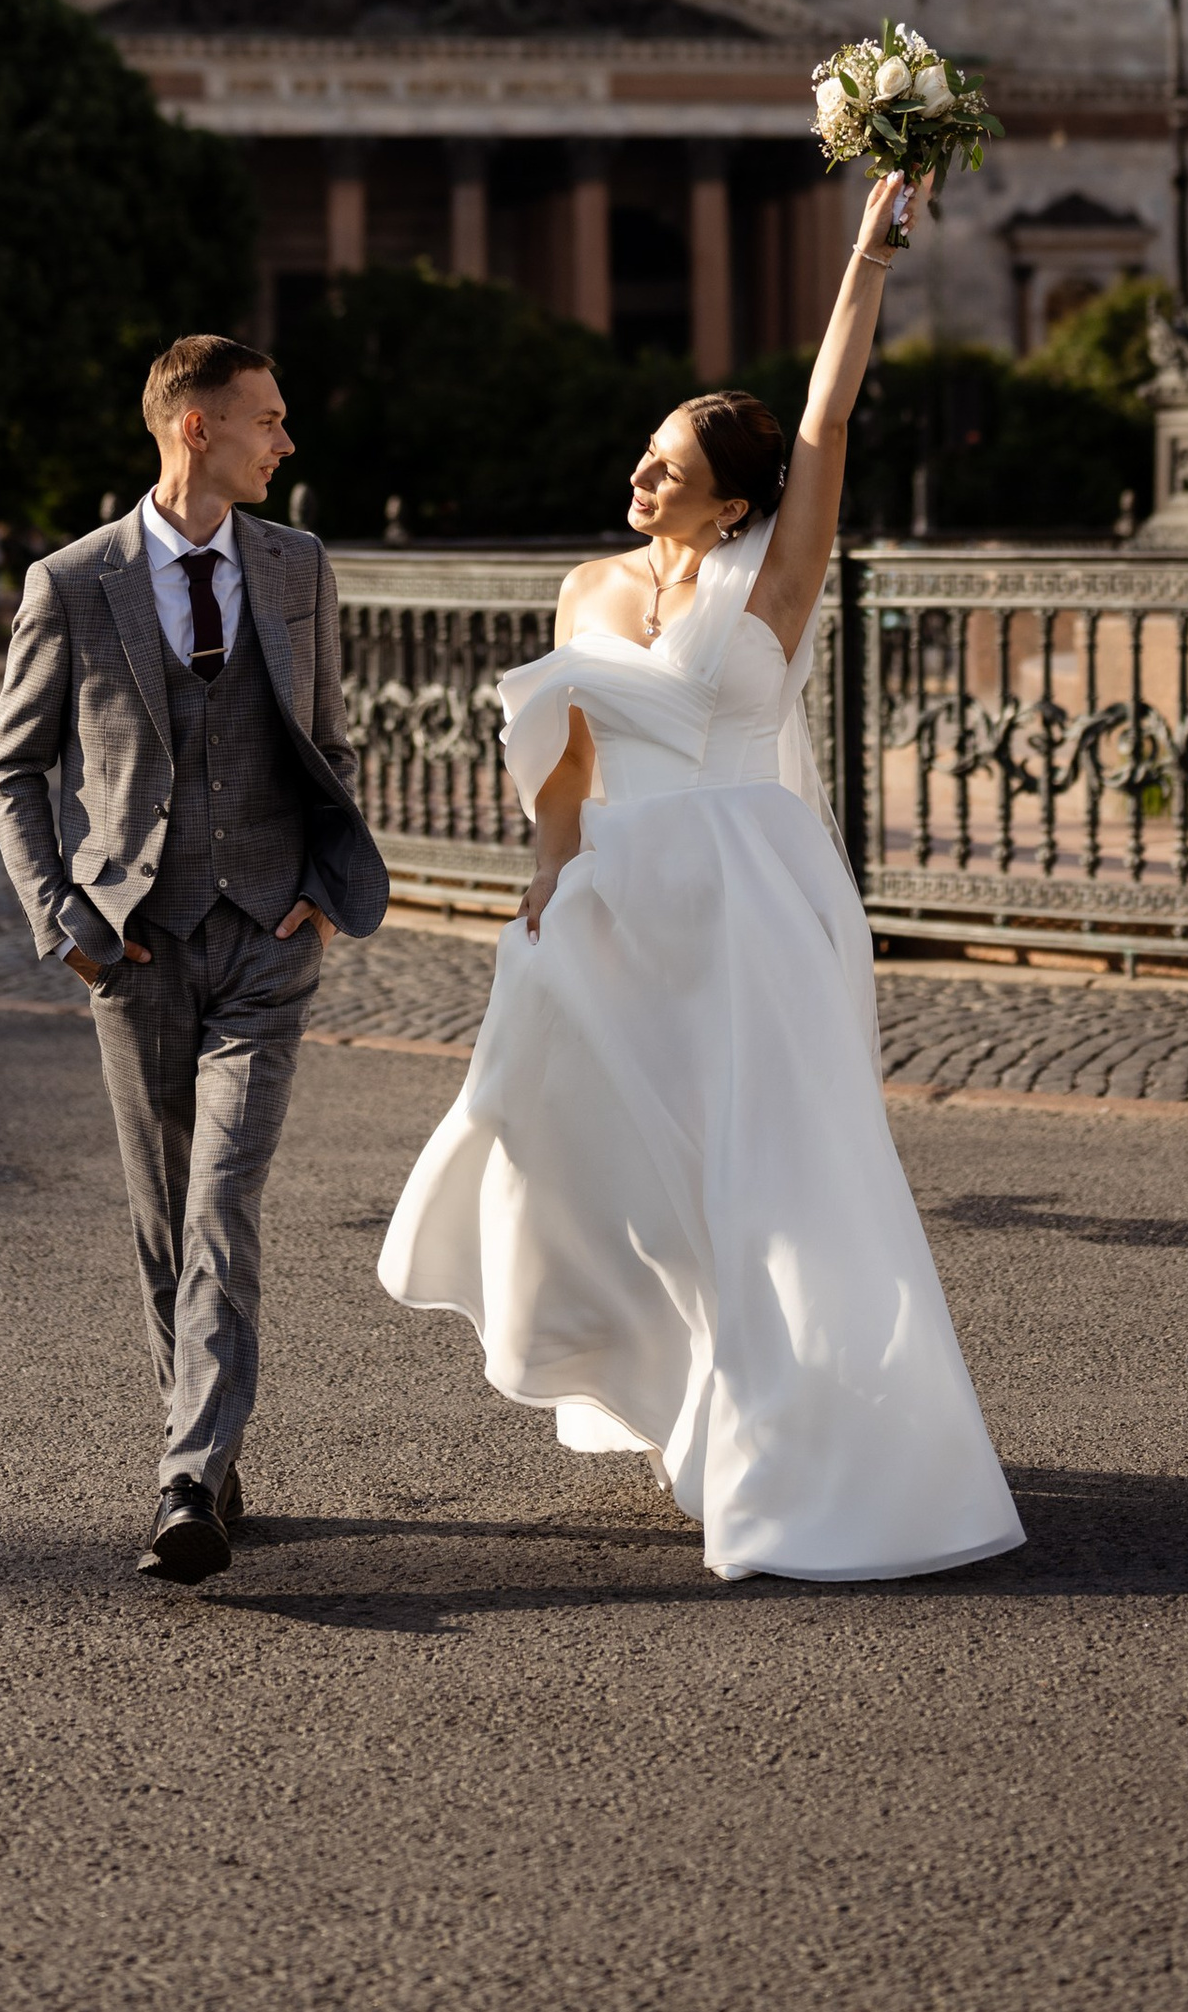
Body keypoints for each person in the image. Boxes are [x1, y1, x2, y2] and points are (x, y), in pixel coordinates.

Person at [378, 173, 1023, 1583]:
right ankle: (681, 1386)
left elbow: (828, 414)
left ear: (730, 497)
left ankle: (788, 1439)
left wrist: (867, 251)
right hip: (617, 901)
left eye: (668, 458)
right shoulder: (585, 589)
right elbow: (563, 755)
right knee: (598, 1156)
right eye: (644, 452)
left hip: (750, 896)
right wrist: (549, 881)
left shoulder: (774, 573)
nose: (642, 470)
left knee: (767, 1174)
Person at [0, 334, 388, 1583]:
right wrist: (68, 923)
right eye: (268, 419)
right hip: (135, 944)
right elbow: (13, 771)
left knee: (220, 1201)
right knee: (165, 1222)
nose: (286, 440)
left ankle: (186, 1478)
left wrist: (321, 891)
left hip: (267, 939)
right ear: (195, 427)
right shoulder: (71, 581)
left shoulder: (298, 564)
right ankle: (203, 1450)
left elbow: (329, 740)